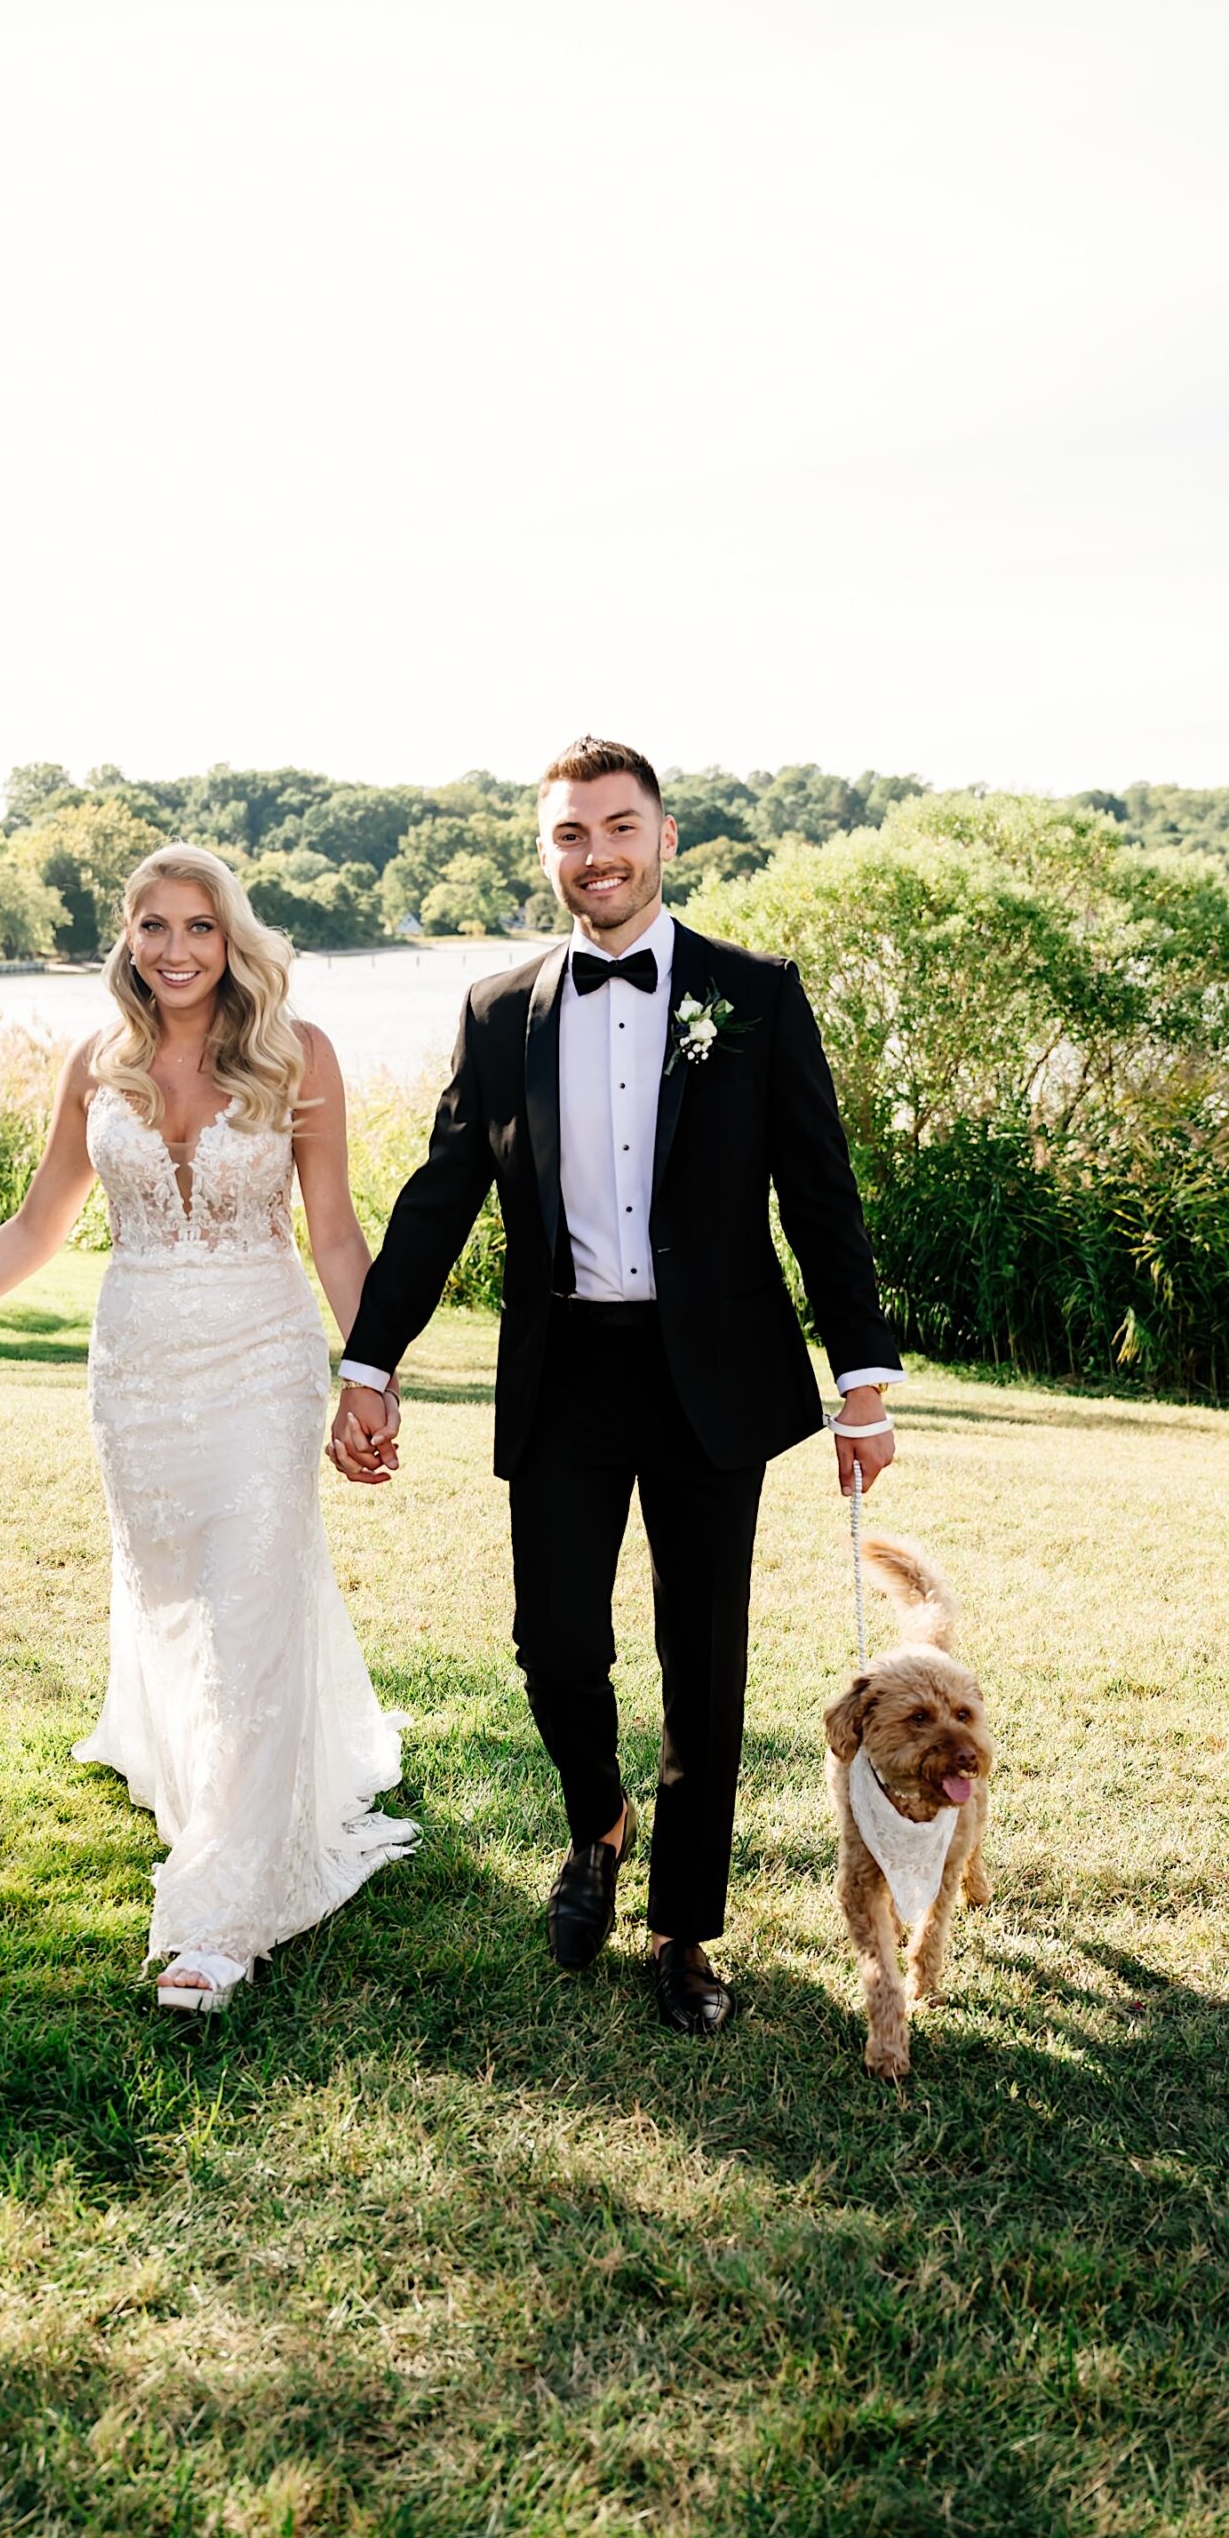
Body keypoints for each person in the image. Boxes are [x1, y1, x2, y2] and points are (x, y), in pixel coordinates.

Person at [328, 736, 901, 2036]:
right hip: (565, 1366)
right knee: (551, 1650)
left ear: (665, 837)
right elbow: (436, 1202)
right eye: (568, 835)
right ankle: (597, 1821)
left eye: (617, 827)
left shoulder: (751, 992)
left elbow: (819, 1195)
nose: (594, 854)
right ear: (546, 855)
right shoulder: (494, 1010)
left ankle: (684, 1931)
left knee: (702, 1668)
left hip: (714, 1375)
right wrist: (368, 1360)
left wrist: (858, 1382)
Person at [0, 843, 414, 2010]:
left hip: (262, 1357)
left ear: (231, 936)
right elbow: (34, 1228)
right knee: (173, 1601)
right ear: (127, 938)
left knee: (251, 1596)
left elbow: (336, 1234)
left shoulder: (299, 1055)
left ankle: (223, 1914)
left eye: (199, 926)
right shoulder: (94, 1063)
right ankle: (214, 1787)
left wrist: (371, 1371)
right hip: (137, 1367)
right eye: (154, 925)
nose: (176, 949)